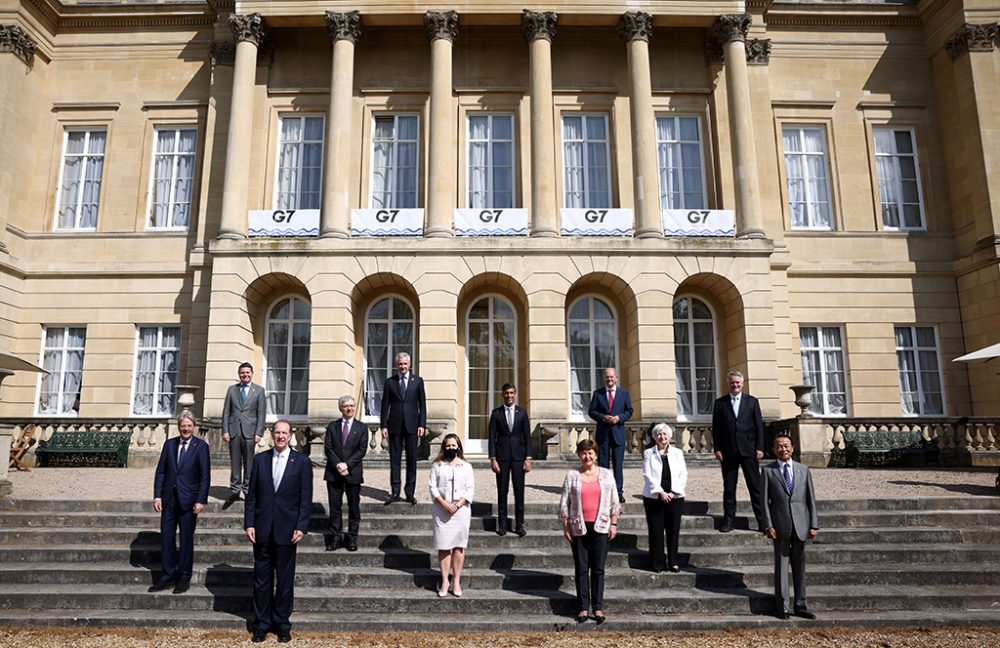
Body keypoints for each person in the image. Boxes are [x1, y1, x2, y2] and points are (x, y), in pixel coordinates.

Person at [244, 420, 313, 644]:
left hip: (287, 530)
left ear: (290, 435)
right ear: (272, 435)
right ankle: (261, 624)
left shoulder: (301, 462)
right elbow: (251, 496)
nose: (280, 436)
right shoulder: (260, 460)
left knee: (284, 581)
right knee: (261, 580)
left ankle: (282, 624)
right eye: (277, 433)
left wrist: (301, 526)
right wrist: (249, 523)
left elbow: (305, 499)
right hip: (262, 529)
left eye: (284, 433)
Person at [559, 438, 621, 624]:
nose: (587, 456)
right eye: (584, 453)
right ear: (579, 455)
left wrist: (614, 523)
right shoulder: (571, 476)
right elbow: (564, 503)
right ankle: (583, 607)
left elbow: (614, 501)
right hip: (578, 526)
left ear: (595, 454)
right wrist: (565, 526)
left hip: (601, 526)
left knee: (598, 569)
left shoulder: (606, 474)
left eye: (590, 453)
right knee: (581, 568)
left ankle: (598, 607)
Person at [150, 410, 210, 594]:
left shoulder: (200, 447)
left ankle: (184, 577)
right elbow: (161, 472)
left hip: (189, 500)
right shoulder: (169, 445)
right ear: (179, 427)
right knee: (167, 539)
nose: (186, 428)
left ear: (194, 427)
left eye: (189, 425)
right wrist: (157, 495)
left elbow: (205, 476)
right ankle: (167, 576)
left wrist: (201, 500)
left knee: (185, 539)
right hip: (169, 499)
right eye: (183, 425)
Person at [761, 433, 819, 620]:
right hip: (780, 526)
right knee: (781, 568)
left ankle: (801, 605)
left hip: (802, 524)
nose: (783, 449)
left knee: (800, 568)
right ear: (773, 449)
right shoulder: (768, 471)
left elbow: (811, 499)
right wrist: (768, 525)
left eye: (786, 446)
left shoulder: (803, 469)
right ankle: (782, 607)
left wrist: (814, 525)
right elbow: (764, 502)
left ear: (793, 448)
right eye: (779, 446)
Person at [711, 370, 765, 532]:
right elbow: (716, 429)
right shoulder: (720, 403)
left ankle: (762, 521)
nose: (735, 385)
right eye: (732, 382)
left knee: (755, 488)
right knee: (729, 489)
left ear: (742, 383)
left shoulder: (752, 402)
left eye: (738, 382)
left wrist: (760, 448)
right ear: (729, 383)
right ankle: (729, 521)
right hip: (728, 451)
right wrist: (718, 448)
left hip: (749, 450)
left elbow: (759, 427)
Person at [429, 433, 474, 597]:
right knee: (443, 546)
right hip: (442, 511)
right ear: (444, 447)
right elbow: (432, 487)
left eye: (453, 446)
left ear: (459, 447)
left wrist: (458, 504)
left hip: (460, 511)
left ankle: (456, 580)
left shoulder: (466, 466)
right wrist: (445, 504)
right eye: (448, 446)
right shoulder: (437, 465)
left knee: (458, 546)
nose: (451, 448)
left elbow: (470, 489)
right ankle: (444, 580)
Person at [380, 352, 427, 505]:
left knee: (412, 460)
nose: (403, 366)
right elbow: (384, 405)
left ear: (410, 364)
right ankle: (395, 492)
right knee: (395, 460)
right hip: (394, 426)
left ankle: (410, 493)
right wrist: (383, 425)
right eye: (400, 364)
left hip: (412, 426)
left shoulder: (418, 381)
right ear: (396, 365)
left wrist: (422, 424)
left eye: (405, 364)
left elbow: (422, 405)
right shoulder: (390, 382)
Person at [641, 422, 688, 573]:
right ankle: (657, 562)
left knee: (673, 530)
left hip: (675, 496)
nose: (662, 437)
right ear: (655, 437)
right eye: (659, 434)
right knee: (656, 530)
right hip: (654, 497)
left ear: (669, 436)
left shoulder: (678, 453)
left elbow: (683, 474)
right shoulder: (649, 453)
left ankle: (673, 561)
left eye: (665, 434)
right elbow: (647, 474)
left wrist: (674, 492)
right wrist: (660, 492)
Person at [324, 395, 368, 552]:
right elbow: (328, 448)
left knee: (353, 507)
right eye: (345, 406)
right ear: (340, 408)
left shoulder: (362, 428)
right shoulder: (332, 426)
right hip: (333, 473)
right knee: (335, 507)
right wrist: (338, 464)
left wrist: (347, 465)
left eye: (351, 406)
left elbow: (361, 450)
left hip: (353, 472)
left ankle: (351, 539)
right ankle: (335, 538)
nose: (349, 408)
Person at [488, 383, 532, 537]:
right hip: (502, 457)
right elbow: (492, 437)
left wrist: (528, 458)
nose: (509, 396)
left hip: (519, 457)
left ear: (515, 394)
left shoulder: (522, 413)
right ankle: (502, 524)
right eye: (506, 393)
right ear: (502, 394)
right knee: (502, 491)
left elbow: (527, 437)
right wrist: (493, 459)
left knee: (519, 492)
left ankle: (519, 524)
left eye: (512, 393)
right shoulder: (496, 413)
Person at [222, 362, 266, 505]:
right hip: (234, 431)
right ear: (239, 374)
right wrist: (225, 430)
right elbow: (226, 412)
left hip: (250, 432)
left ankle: (248, 490)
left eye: (247, 372)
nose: (245, 375)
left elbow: (261, 413)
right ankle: (235, 490)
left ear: (252, 373)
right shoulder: (232, 390)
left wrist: (259, 432)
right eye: (242, 373)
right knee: (235, 462)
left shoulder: (259, 391)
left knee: (249, 463)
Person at [588, 367, 633, 503]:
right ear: (604, 378)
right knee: (602, 466)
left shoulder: (624, 394)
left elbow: (629, 411)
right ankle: (603, 492)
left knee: (618, 466)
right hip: (603, 435)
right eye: (607, 377)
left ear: (616, 378)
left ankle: (618, 492)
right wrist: (603, 417)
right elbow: (591, 411)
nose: (609, 379)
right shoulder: (598, 394)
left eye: (611, 377)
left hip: (618, 434)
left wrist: (619, 418)